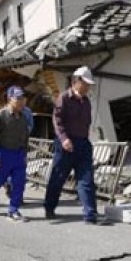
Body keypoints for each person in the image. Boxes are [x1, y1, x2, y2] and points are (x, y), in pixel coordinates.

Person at [44, 66, 99, 224]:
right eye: (85, 83)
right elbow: (57, 120)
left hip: (83, 144)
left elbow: (87, 123)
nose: (88, 87)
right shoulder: (64, 98)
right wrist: (64, 139)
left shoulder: (87, 101)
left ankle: (90, 214)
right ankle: (49, 207)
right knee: (58, 178)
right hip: (66, 143)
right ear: (76, 81)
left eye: (89, 84)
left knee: (86, 178)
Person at [0, 85, 29, 222]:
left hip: (18, 155)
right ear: (10, 99)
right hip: (3, 154)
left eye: (22, 98)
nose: (21, 101)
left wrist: (25, 155)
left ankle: (13, 209)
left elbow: (25, 137)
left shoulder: (23, 117)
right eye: (18, 98)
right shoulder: (1, 115)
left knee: (19, 183)